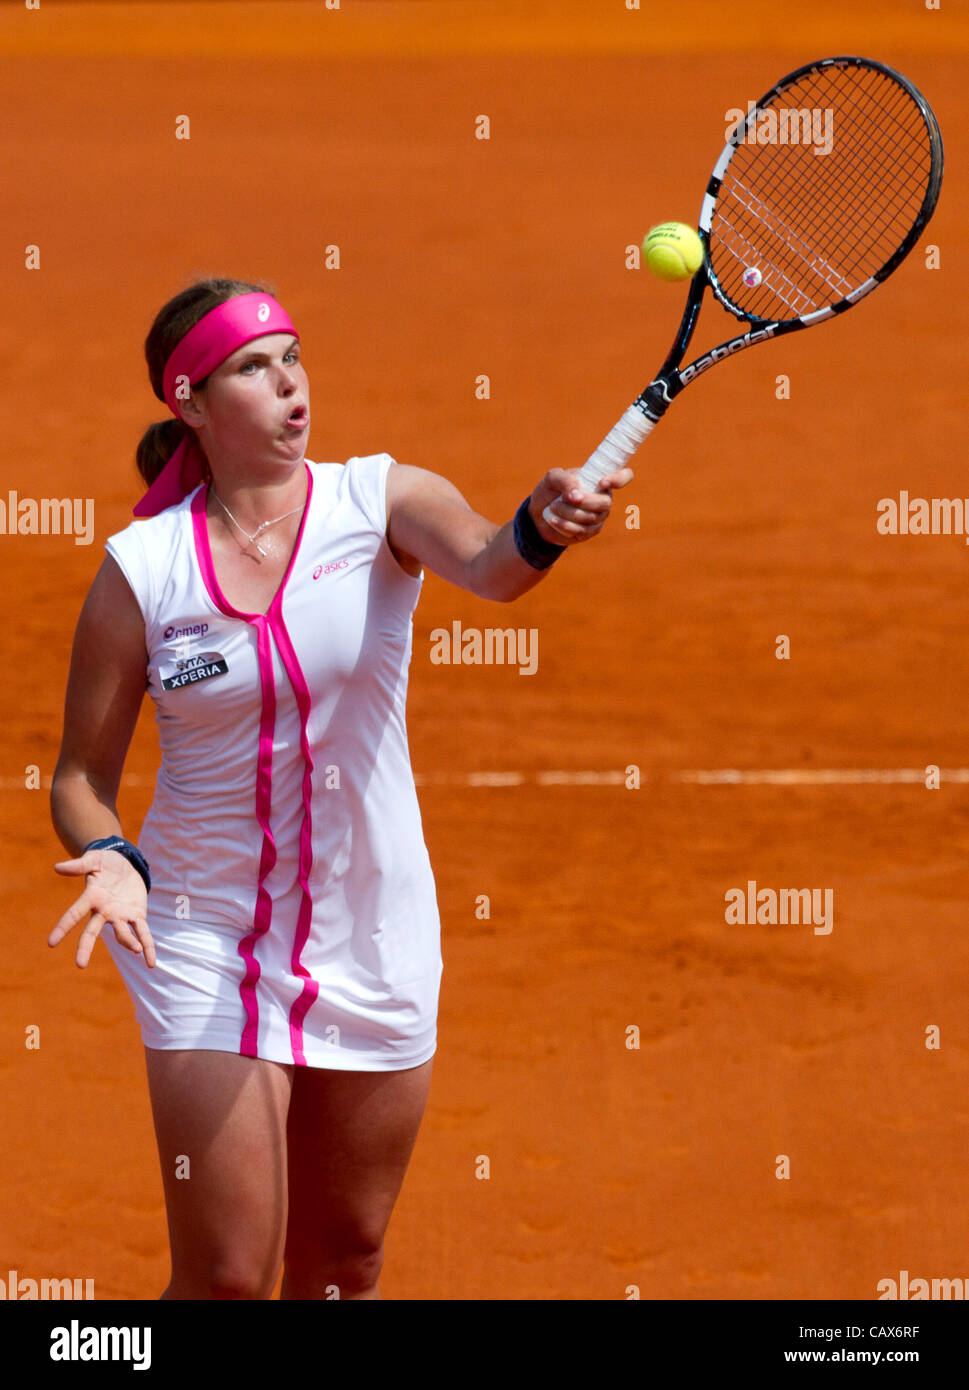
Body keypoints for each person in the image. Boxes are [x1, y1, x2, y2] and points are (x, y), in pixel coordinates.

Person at [48, 276, 632, 1301]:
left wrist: (540, 521)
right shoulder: (142, 571)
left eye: (292, 358)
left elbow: (495, 566)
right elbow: (83, 777)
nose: (289, 386)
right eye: (252, 369)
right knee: (229, 1275)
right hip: (200, 933)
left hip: (373, 932)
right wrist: (113, 856)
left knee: (344, 1263)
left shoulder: (379, 500)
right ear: (190, 403)